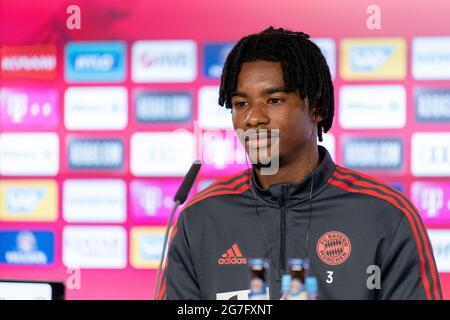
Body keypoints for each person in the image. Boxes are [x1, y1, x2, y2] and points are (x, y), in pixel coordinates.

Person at [158, 27, 442, 300]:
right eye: (241, 104)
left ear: (315, 107)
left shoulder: (386, 214)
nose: (253, 118)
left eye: (274, 100)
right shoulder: (200, 219)